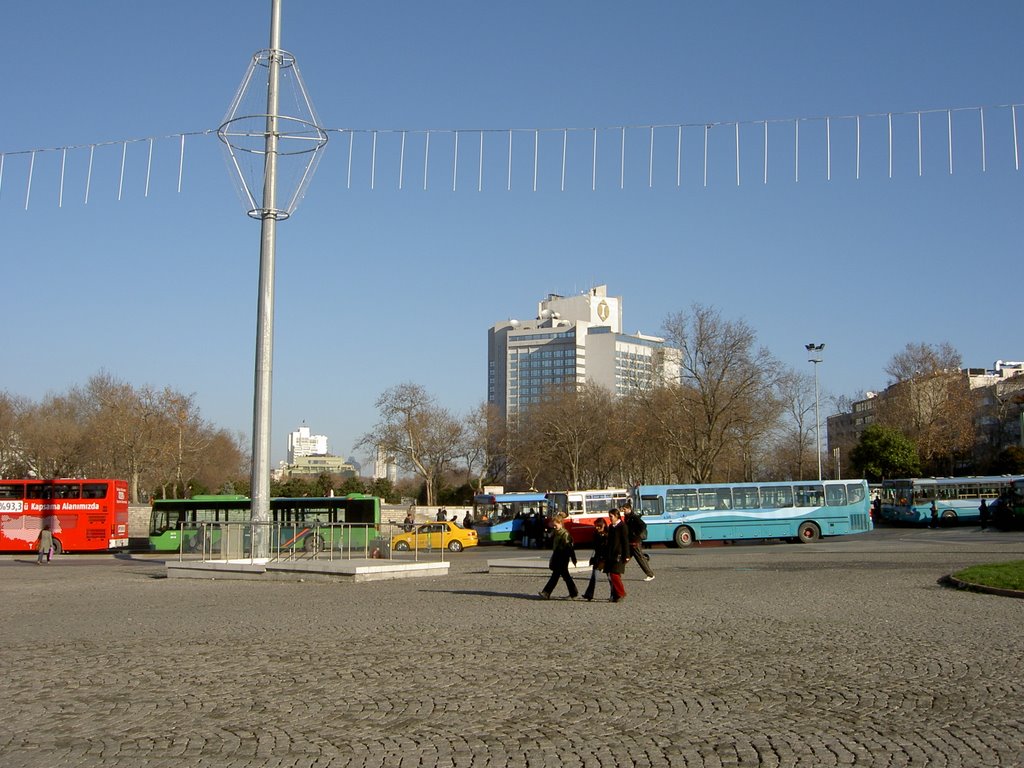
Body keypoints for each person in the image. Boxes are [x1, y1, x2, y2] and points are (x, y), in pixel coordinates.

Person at [539, 514, 579, 600]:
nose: (554, 527)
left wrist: (573, 558)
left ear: (560, 523)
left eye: (555, 525)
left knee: (556, 575)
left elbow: (570, 547)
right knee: (564, 576)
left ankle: (546, 592)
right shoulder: (556, 533)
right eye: (553, 525)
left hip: (563, 557)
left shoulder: (565, 534)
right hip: (557, 556)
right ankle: (573, 593)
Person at [623, 499, 654, 581]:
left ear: (629, 509)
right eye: (623, 510)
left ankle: (650, 575)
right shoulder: (627, 518)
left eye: (624, 509)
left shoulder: (633, 517)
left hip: (635, 541)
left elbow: (643, 525)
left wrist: (635, 533)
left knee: (639, 558)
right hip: (630, 541)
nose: (623, 511)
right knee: (625, 557)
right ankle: (617, 572)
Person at [603, 508, 630, 602]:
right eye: (609, 516)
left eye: (611, 516)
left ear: (617, 516)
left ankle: (621, 593)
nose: (610, 518)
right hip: (610, 554)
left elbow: (625, 541)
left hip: (619, 554)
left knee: (614, 574)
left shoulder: (622, 526)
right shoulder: (611, 527)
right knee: (613, 575)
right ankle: (616, 595)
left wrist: (627, 555)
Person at [582, 517, 609, 601]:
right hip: (598, 558)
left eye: (599, 526)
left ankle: (614, 594)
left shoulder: (609, 534)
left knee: (610, 578)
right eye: (596, 526)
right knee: (594, 577)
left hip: (606, 559)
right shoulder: (596, 534)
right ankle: (589, 594)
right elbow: (595, 546)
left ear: (604, 525)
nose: (597, 528)